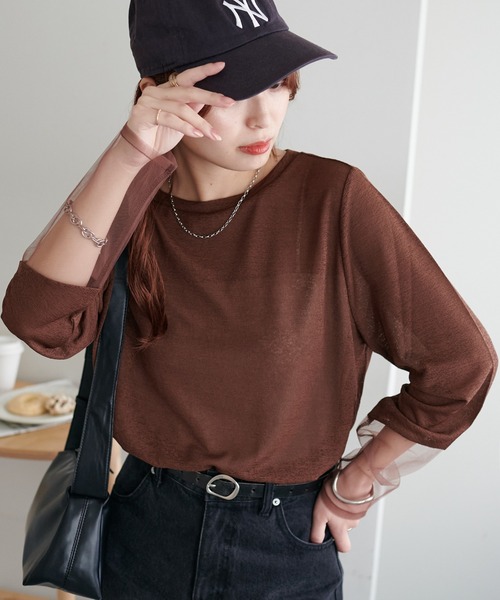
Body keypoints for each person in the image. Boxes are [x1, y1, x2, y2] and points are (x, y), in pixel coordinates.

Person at [2, 1, 497, 598]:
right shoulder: (128, 203)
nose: (266, 115)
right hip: (142, 530)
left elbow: (461, 362)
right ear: (161, 93)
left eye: (279, 83)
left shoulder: (333, 199)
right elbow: (40, 323)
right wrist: (131, 153)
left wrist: (359, 481)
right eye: (236, 90)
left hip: (283, 544)